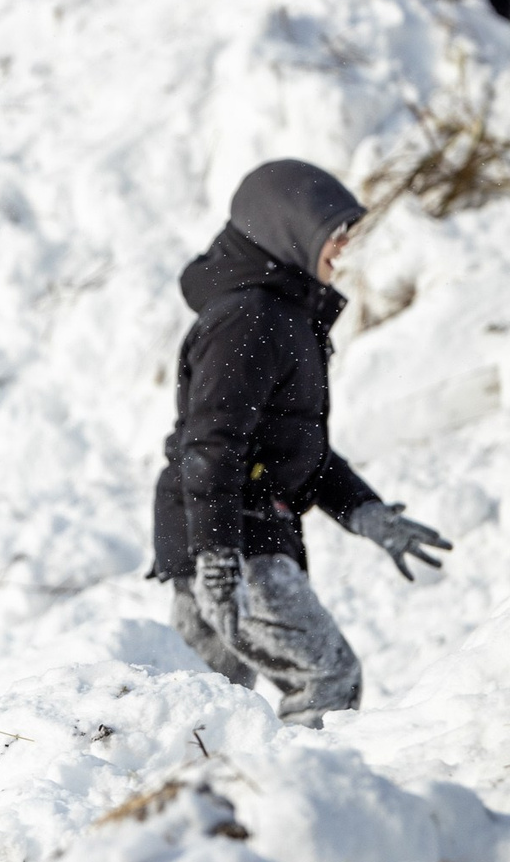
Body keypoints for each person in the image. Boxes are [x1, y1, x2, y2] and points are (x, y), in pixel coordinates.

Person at [153, 161, 450, 726]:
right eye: (332, 232)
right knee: (325, 677)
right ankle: (301, 806)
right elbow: (212, 444)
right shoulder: (248, 319)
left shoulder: (281, 315)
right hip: (231, 536)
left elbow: (291, 450)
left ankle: (200, 806)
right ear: (286, 227)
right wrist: (216, 555)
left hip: (228, 529)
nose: (342, 248)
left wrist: (364, 512)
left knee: (205, 710)